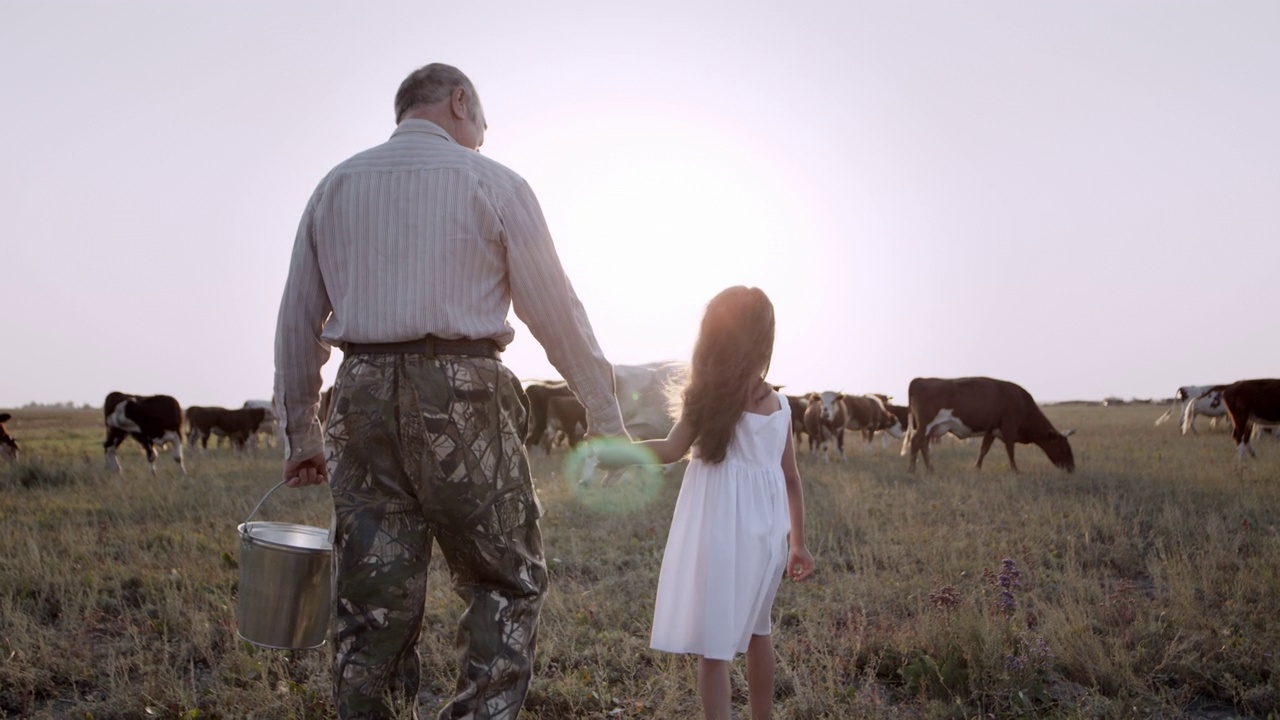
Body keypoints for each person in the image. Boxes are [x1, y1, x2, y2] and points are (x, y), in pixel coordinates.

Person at [273, 62, 628, 720]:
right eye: (481, 121)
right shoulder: (494, 182)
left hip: (362, 394)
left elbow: (298, 322)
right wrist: (606, 420)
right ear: (459, 100)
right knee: (505, 583)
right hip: (465, 396)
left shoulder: (336, 186)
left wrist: (301, 434)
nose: (482, 134)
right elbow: (556, 315)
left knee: (372, 601)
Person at [597, 285, 816, 720]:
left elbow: (672, 448)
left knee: (713, 647)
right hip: (768, 535)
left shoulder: (708, 397)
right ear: (765, 342)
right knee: (758, 631)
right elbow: (791, 478)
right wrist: (798, 543)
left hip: (721, 530)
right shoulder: (781, 405)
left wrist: (624, 452)